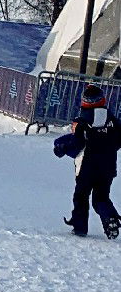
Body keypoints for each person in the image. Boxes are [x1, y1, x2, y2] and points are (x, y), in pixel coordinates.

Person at [56, 82, 121, 238]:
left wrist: (62, 148)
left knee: (81, 196)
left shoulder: (82, 121)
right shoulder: (113, 119)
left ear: (84, 101)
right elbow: (119, 140)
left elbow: (76, 144)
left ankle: (80, 226)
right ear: (103, 100)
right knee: (101, 198)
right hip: (107, 166)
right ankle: (110, 217)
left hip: (87, 166)